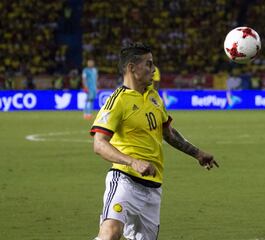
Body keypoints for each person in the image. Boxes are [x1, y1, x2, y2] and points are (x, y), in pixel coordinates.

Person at [90, 42, 219, 240]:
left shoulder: (155, 98)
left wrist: (198, 153)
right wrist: (132, 161)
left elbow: (169, 134)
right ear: (132, 68)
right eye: (149, 64)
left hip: (153, 186)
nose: (154, 69)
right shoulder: (117, 101)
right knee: (110, 233)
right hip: (125, 180)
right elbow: (99, 144)